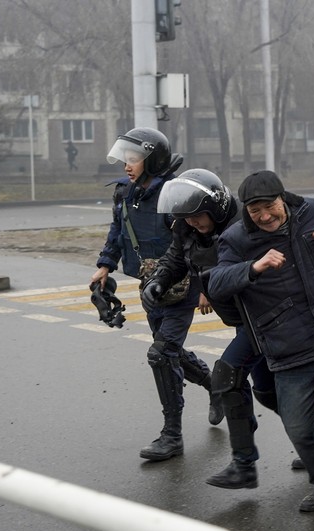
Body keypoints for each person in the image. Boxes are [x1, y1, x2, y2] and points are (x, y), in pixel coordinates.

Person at [144, 169, 314, 489]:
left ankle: (244, 464)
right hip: (244, 320)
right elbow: (176, 258)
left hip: (268, 317)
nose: (192, 223)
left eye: (197, 216)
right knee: (266, 391)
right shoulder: (186, 228)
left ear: (217, 206)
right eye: (186, 218)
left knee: (227, 375)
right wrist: (159, 281)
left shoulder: (245, 225)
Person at [207, 170, 314, 512]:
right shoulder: (236, 239)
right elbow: (217, 282)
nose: (265, 216)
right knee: (297, 426)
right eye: (256, 211)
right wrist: (254, 266)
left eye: (269, 206)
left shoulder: (309, 211)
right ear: (246, 211)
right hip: (287, 343)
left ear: (282, 198)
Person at [91, 128, 224, 462]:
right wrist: (105, 265)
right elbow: (118, 230)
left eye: (133, 159)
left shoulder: (174, 194)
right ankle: (216, 386)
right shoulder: (125, 192)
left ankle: (172, 436)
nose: (127, 165)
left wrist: (206, 287)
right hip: (150, 285)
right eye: (125, 159)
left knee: (161, 355)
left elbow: (198, 239)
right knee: (172, 353)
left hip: (183, 286)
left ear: (152, 160)